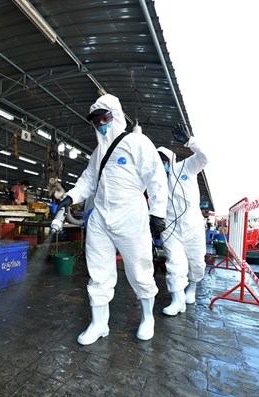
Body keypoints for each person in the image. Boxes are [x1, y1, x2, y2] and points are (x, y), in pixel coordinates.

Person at [55, 93, 168, 345]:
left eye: (104, 117)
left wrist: (157, 213)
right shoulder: (98, 153)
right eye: (96, 120)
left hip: (131, 214)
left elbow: (156, 178)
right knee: (98, 271)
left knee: (139, 269)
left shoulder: (137, 142)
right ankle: (98, 324)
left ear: (115, 116)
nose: (101, 123)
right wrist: (70, 197)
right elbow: (87, 181)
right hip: (100, 217)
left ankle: (148, 318)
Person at [157, 137, 208, 315]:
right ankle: (177, 300)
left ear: (170, 159)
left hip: (192, 223)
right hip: (170, 226)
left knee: (197, 262)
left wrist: (190, 142)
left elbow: (204, 158)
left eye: (163, 160)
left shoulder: (186, 167)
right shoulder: (155, 180)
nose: (161, 164)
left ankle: (192, 288)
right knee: (175, 263)